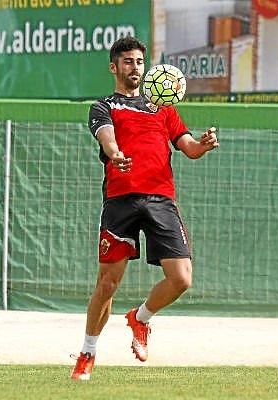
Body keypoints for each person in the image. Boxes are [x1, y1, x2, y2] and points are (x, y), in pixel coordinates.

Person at [70, 36, 219, 381]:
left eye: (139, 61)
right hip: (120, 200)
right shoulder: (104, 106)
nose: (134, 67)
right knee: (107, 284)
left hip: (161, 200)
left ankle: (140, 318)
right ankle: (87, 353)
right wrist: (115, 153)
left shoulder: (163, 107)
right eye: (127, 61)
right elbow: (107, 137)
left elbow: (189, 148)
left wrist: (204, 144)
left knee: (181, 279)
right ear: (114, 67)